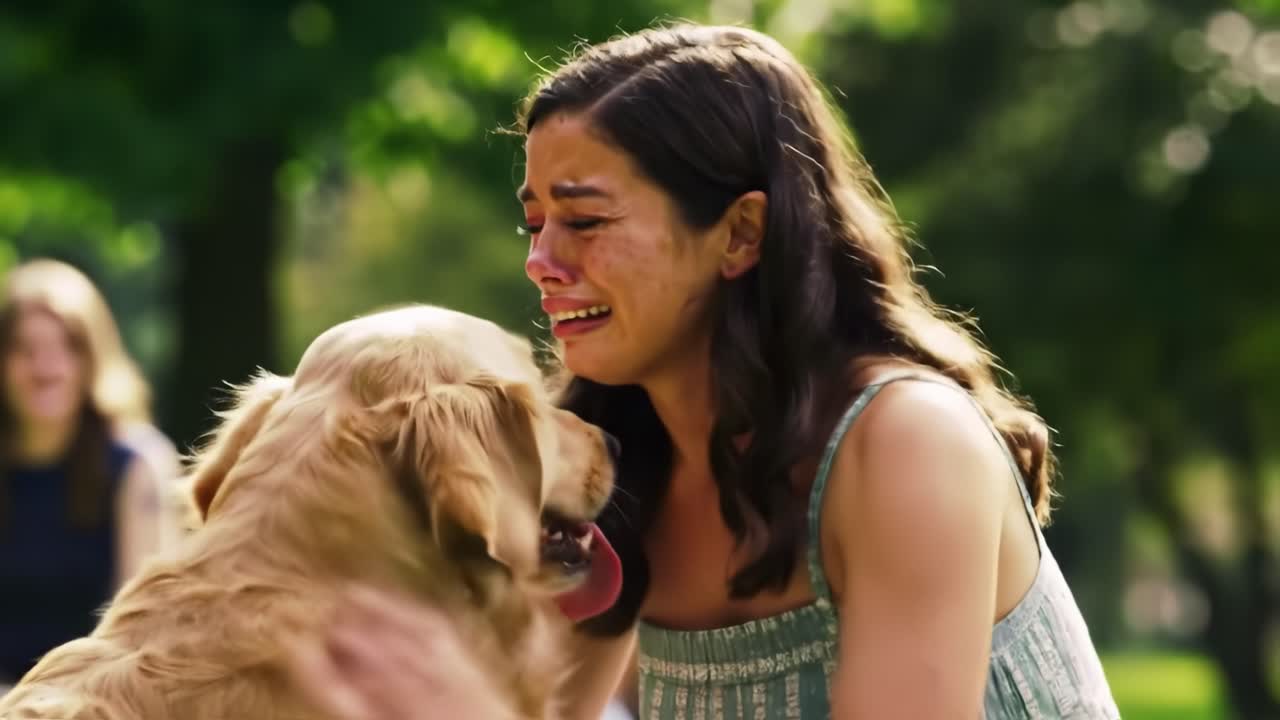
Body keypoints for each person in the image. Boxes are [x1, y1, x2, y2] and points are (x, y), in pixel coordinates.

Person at [290, 23, 1120, 719]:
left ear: (740, 234)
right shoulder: (610, 470)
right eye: (535, 225)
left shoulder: (904, 444)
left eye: (583, 220)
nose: (541, 262)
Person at [0, 258, 171, 688]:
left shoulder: (137, 465)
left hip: (94, 701)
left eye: (66, 347)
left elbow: (140, 637)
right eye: (25, 349)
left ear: (92, 357)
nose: (45, 367)